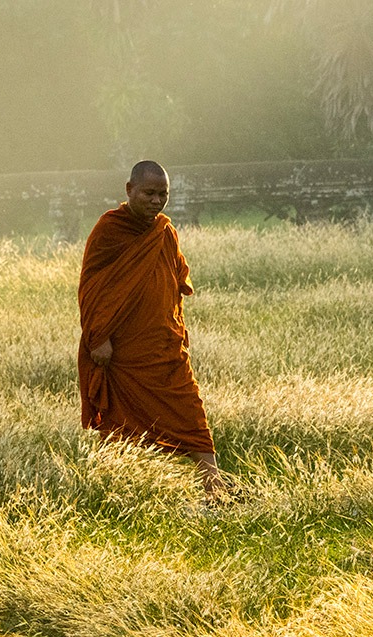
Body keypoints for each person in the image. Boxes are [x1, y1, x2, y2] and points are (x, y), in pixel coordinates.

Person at [78, 160, 228, 501]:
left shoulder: (164, 231)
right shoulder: (109, 230)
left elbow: (177, 282)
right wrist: (98, 337)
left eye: (163, 194)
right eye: (149, 193)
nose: (156, 201)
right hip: (122, 350)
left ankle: (214, 491)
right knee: (120, 423)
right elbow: (90, 288)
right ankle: (115, 492)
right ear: (129, 190)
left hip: (163, 346)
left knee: (191, 415)